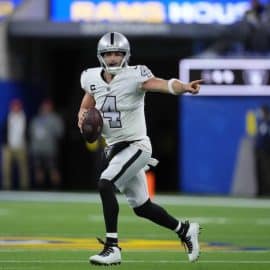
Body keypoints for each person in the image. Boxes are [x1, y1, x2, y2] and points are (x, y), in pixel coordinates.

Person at [78, 32, 203, 266]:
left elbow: (162, 84)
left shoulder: (136, 74)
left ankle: (112, 247)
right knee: (142, 207)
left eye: (118, 53)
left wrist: (184, 86)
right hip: (114, 148)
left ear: (126, 55)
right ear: (100, 56)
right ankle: (184, 230)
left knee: (105, 183)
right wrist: (82, 114)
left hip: (136, 145)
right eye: (109, 54)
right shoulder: (91, 77)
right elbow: (89, 99)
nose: (114, 58)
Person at [29, 99, 64, 190]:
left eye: (47, 106)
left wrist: (51, 130)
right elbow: (31, 133)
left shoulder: (55, 119)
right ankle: (40, 189)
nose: (45, 108)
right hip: (37, 149)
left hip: (49, 149)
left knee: (53, 170)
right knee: (38, 170)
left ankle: (56, 189)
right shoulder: (36, 119)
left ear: (50, 108)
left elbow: (60, 133)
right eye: (44, 106)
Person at [1, 99, 29, 190]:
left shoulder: (24, 117)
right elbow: (4, 131)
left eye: (17, 106)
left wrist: (26, 142)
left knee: (23, 169)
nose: (16, 108)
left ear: (20, 107)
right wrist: (5, 143)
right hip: (8, 147)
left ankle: (24, 188)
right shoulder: (8, 117)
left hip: (21, 146)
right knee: (6, 169)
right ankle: (6, 187)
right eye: (14, 106)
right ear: (11, 107)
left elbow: (27, 132)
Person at [255, 105, 270, 195]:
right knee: (259, 171)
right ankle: (260, 191)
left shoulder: (268, 123)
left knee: (266, 171)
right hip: (259, 150)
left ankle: (267, 191)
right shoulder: (260, 122)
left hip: (266, 150)